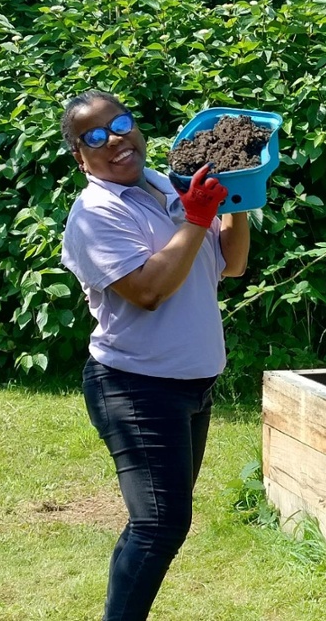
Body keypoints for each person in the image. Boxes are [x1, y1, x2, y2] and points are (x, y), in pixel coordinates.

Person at [57, 89, 250, 620]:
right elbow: (147, 290)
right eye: (94, 137)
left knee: (155, 522)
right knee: (160, 524)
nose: (114, 139)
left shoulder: (167, 186)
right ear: (81, 156)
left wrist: (237, 197)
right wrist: (194, 219)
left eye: (119, 123)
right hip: (134, 387)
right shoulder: (94, 214)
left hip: (192, 385)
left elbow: (230, 264)